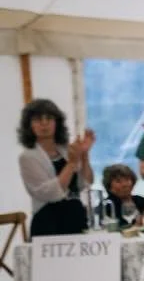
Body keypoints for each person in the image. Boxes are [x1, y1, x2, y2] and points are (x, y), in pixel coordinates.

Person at [17, 99, 92, 236]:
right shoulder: (27, 157)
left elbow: (85, 183)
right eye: (38, 119)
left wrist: (84, 155)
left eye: (49, 118)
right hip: (48, 221)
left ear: (57, 123)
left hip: (75, 217)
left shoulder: (65, 150)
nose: (44, 123)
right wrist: (71, 164)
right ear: (30, 126)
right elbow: (50, 193)